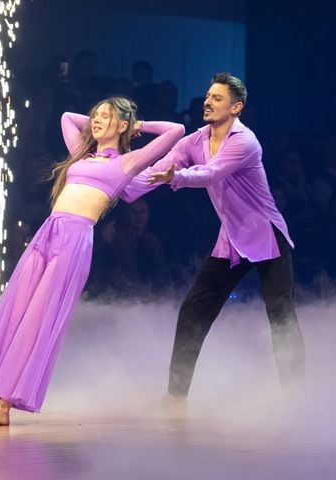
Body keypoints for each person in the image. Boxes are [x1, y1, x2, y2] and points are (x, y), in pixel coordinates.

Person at [0, 97, 184, 426]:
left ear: (121, 125)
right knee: (15, 313)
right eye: (96, 115)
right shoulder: (82, 153)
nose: (96, 120)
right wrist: (106, 119)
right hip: (48, 233)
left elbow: (175, 130)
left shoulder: (126, 163)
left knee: (35, 321)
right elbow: (66, 116)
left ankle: (3, 405)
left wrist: (137, 126)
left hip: (74, 239)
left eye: (106, 117)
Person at [121, 73, 305, 399]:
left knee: (281, 318)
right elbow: (159, 168)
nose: (207, 102)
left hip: (266, 236)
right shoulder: (194, 140)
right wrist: (119, 187)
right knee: (194, 311)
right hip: (231, 239)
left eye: (216, 98)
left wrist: (176, 177)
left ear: (236, 107)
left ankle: (297, 396)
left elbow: (211, 172)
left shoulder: (245, 141)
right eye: (207, 96)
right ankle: (175, 395)